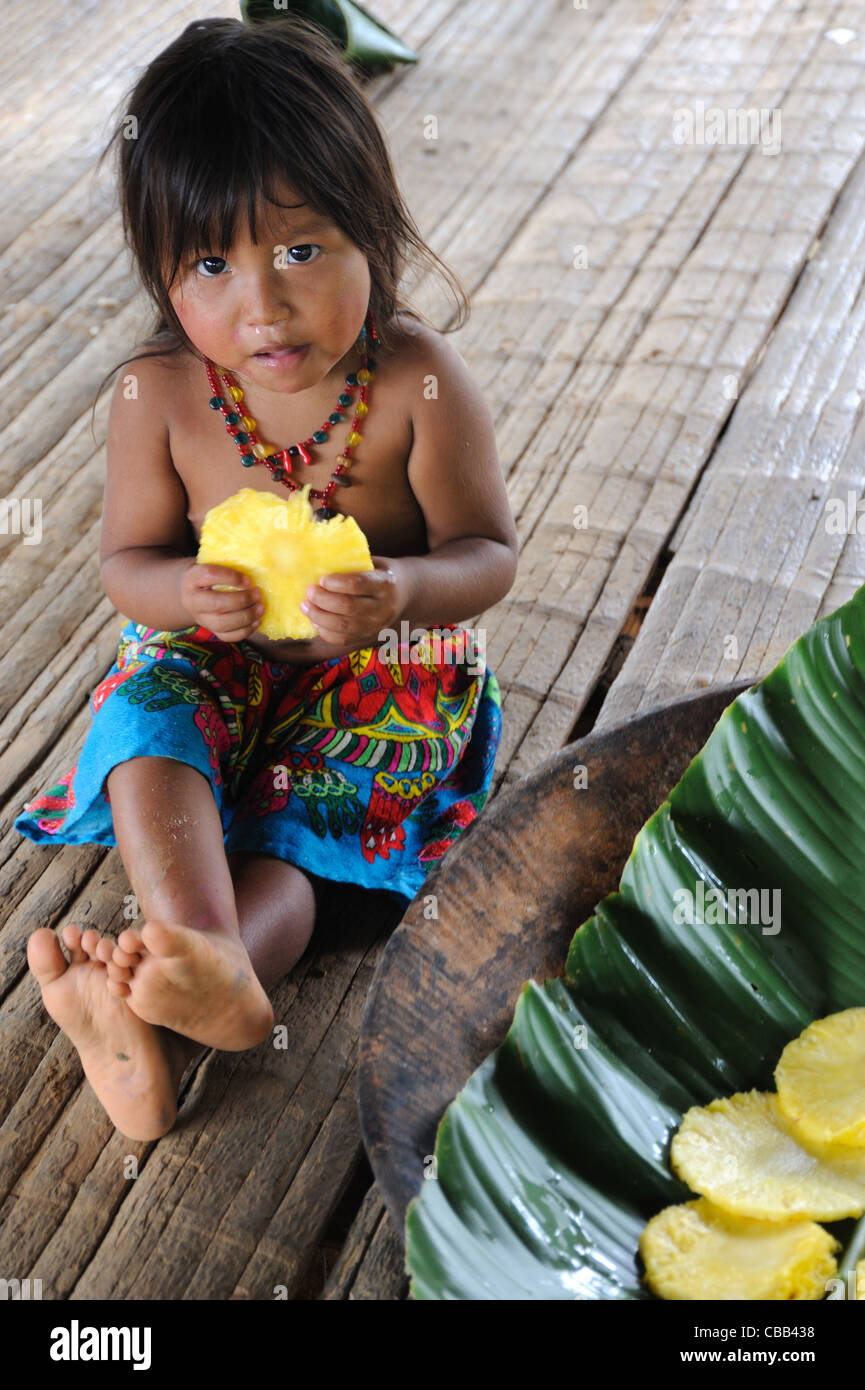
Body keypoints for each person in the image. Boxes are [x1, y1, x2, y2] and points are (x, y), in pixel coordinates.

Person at [14, 15, 518, 1142]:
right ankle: (196, 943)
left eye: (300, 250)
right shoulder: (160, 394)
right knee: (150, 710)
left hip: (383, 675)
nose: (263, 304)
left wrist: (403, 589)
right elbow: (128, 562)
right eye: (209, 264)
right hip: (224, 651)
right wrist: (183, 597)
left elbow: (488, 551)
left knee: (298, 831)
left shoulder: (416, 383)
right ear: (161, 273)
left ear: (371, 233)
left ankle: (199, 989)